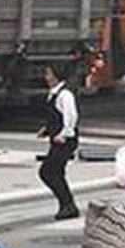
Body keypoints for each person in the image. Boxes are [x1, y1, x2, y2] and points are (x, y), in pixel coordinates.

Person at [37, 62, 80, 220]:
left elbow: (71, 116)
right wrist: (47, 129)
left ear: (56, 76)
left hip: (65, 141)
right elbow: (56, 115)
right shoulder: (54, 93)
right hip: (58, 139)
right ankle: (67, 205)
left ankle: (68, 205)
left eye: (48, 74)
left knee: (48, 171)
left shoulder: (64, 94)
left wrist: (65, 134)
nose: (46, 77)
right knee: (56, 172)